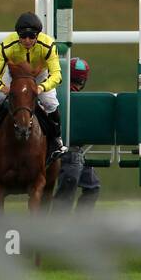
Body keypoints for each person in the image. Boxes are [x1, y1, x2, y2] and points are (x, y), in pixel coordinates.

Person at [0, 11, 65, 164]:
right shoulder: (7, 45)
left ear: (38, 35)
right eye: (23, 36)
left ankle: (57, 139)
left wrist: (41, 88)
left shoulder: (49, 45)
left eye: (32, 36)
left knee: (50, 103)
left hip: (39, 75)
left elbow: (57, 75)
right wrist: (3, 87)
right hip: (14, 74)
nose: (27, 40)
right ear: (18, 35)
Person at [53, 57, 101, 209]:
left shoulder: (53, 95)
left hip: (74, 152)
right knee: (78, 190)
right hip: (68, 152)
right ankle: (59, 224)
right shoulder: (55, 97)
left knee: (92, 186)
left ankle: (79, 223)